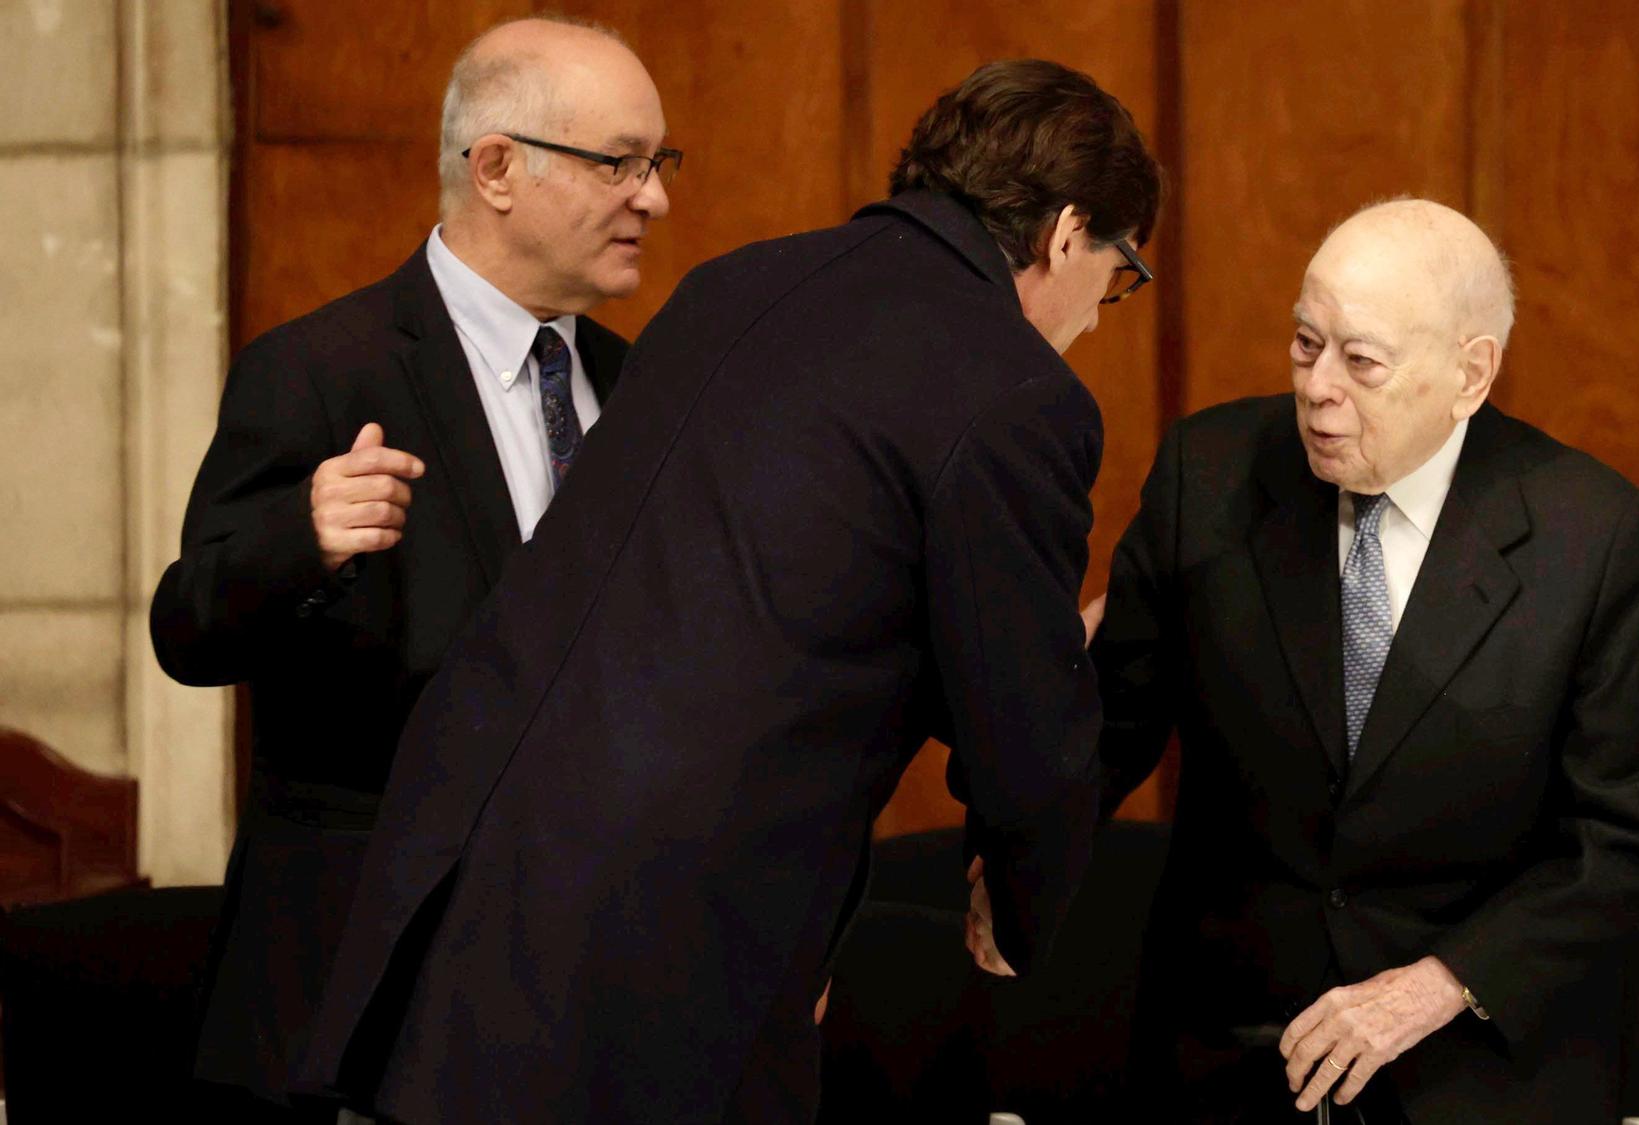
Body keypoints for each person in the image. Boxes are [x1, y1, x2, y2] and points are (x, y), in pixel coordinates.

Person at [296, 58, 1164, 1125]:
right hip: (660, 940)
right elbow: (1018, 728)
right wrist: (1020, 896)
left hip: (463, 860)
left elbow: (782, 596)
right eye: (1119, 276)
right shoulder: (1015, 391)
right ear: (1070, 232)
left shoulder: (736, 283)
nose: (1097, 312)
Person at [149, 17, 670, 1119]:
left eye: (657, 164)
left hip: (590, 996)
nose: (652, 198)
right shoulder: (318, 371)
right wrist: (302, 538)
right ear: (496, 169)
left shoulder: (642, 391)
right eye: (618, 163)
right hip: (363, 994)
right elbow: (185, 630)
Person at [1088, 198, 1639, 1122]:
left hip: (1473, 1059)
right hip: (1233, 1044)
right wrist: (1014, 857)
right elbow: (1110, 722)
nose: (1319, 386)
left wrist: (1441, 984)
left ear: (1469, 373)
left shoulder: (1587, 534)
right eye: (1303, 342)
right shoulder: (1206, 476)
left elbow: (1619, 838)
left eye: (1361, 360)